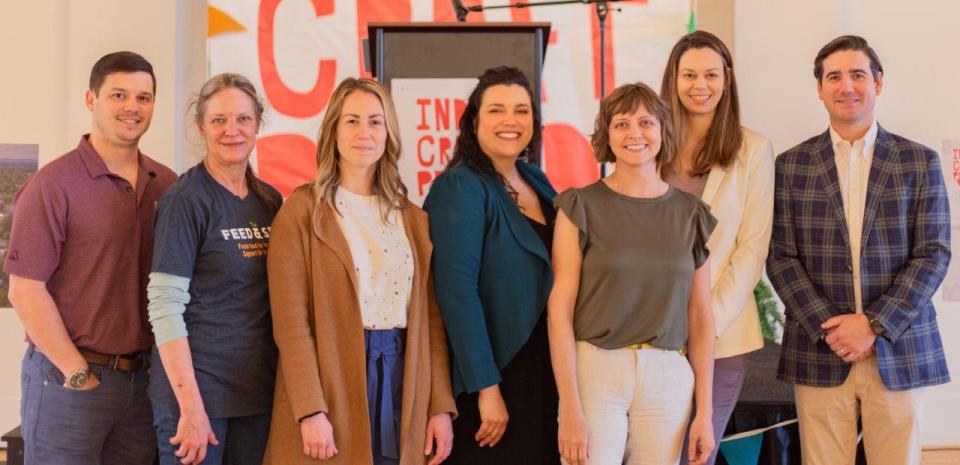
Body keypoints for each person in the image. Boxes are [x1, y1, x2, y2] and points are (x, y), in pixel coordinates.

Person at [766, 35, 951, 465]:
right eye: (834, 76)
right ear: (819, 88)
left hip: (899, 346)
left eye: (857, 75)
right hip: (821, 348)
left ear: (878, 83)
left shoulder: (917, 162)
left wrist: (873, 324)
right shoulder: (791, 165)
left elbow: (933, 253)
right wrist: (834, 329)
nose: (846, 86)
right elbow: (780, 256)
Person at [263, 77, 456, 465]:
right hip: (332, 376)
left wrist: (439, 406)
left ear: (389, 134)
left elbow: (431, 323)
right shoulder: (301, 213)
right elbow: (291, 324)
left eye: (374, 121)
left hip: (403, 374)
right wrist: (309, 409)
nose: (363, 133)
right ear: (333, 130)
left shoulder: (414, 220)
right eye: (351, 121)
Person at [4, 51, 177, 465]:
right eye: (118, 95)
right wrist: (77, 373)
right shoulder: (53, 185)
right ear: (91, 100)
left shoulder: (167, 184)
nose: (132, 107)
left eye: (144, 97)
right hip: (69, 380)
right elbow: (25, 292)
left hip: (141, 385)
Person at [549, 82, 717, 465]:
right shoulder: (580, 206)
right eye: (621, 124)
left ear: (663, 131)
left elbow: (701, 316)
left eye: (645, 122)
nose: (634, 134)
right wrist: (570, 407)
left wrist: (704, 413)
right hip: (596, 369)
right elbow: (559, 309)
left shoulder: (691, 214)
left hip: (668, 373)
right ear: (607, 135)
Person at [424, 66, 560, 464]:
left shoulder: (536, 179)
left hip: (543, 370)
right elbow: (456, 294)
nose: (510, 121)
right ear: (474, 121)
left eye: (521, 110)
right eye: (496, 110)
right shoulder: (460, 186)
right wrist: (487, 387)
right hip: (496, 373)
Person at [146, 73, 281, 465]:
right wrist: (190, 407)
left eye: (243, 119)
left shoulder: (268, 201)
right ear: (201, 126)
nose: (232, 131)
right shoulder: (186, 201)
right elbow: (164, 306)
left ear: (258, 124)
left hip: (255, 396)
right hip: (196, 400)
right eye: (219, 120)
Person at [659, 31, 775, 465]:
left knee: (696, 454)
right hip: (653, 332)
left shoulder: (753, 149)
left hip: (723, 336)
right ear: (673, 78)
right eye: (688, 74)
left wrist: (704, 323)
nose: (699, 85)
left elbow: (752, 246)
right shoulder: (650, 141)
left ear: (726, 80)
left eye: (710, 74)